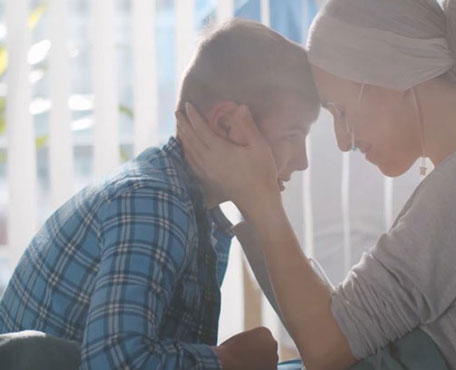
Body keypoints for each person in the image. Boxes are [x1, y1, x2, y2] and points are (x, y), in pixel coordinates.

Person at [175, 0, 456, 369]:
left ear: (389, 77)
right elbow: (354, 324)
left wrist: (261, 200)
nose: (342, 140)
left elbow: (328, 347)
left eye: (340, 109)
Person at [0, 19, 320, 370]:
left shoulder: (193, 206)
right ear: (227, 125)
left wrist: (261, 210)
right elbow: (113, 363)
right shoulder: (154, 205)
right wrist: (226, 360)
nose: (303, 161)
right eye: (293, 135)